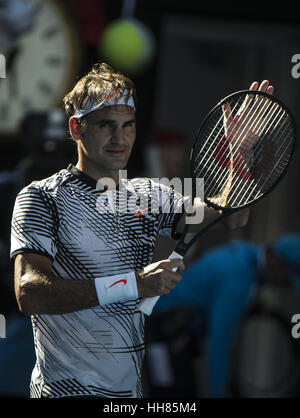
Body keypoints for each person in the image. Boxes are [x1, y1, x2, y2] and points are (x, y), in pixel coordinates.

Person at [10, 62, 272, 398]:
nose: (120, 139)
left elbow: (229, 215)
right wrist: (133, 283)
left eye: (128, 126)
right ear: (77, 128)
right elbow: (30, 294)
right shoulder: (41, 197)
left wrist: (241, 159)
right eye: (106, 126)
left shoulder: (152, 195)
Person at [155, 233, 300, 397]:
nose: (283, 286)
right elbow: (219, 348)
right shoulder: (238, 278)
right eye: (287, 279)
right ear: (276, 261)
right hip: (162, 331)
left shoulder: (244, 256)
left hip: (175, 331)